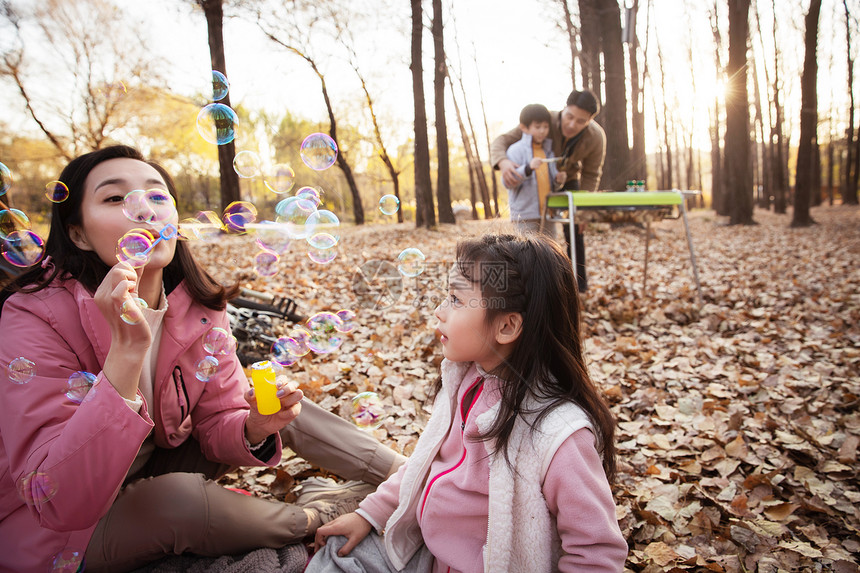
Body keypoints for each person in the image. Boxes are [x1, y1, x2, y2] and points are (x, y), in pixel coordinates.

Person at [0, 145, 406, 573]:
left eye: (157, 197)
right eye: (116, 198)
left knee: (272, 403)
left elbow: (217, 419)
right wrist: (125, 353)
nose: (144, 211)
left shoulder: (198, 306)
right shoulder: (33, 317)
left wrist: (251, 428)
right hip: (56, 528)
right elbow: (57, 499)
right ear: (78, 233)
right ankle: (318, 516)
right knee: (179, 501)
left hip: (151, 463)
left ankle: (413, 475)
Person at [307, 234, 628, 572]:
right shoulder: (467, 380)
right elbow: (425, 464)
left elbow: (597, 554)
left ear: (506, 326)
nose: (439, 311)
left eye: (456, 299)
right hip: (430, 554)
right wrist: (369, 513)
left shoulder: (557, 433)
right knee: (336, 552)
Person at [491, 89, 606, 292]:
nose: (572, 124)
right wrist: (504, 161)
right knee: (530, 239)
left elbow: (591, 173)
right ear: (564, 109)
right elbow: (502, 140)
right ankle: (528, 285)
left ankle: (578, 287)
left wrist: (584, 209)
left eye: (581, 121)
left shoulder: (596, 137)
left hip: (568, 178)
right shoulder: (543, 121)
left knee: (575, 230)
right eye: (569, 117)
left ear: (589, 121)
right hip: (535, 181)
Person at [503, 103, 567, 236]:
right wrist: (527, 169)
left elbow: (551, 182)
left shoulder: (548, 151)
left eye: (545, 127)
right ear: (524, 128)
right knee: (526, 253)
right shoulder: (515, 150)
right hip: (525, 215)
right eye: (537, 127)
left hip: (547, 212)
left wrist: (558, 180)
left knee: (549, 252)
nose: (542, 131)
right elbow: (507, 182)